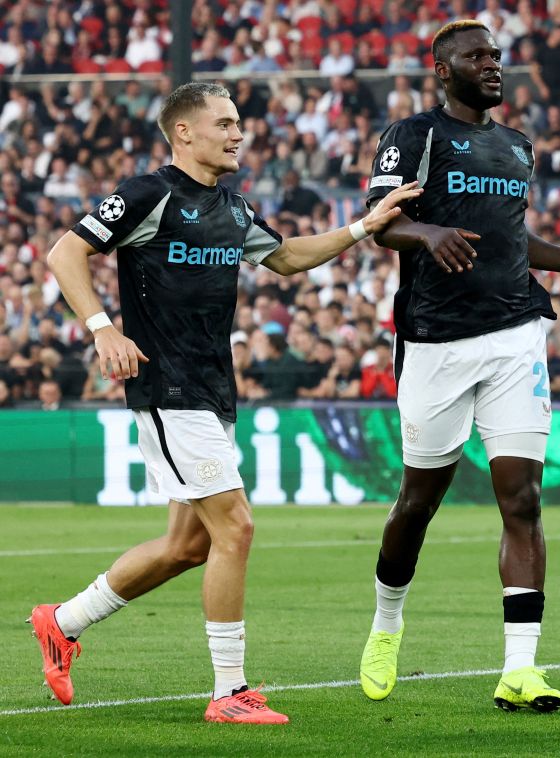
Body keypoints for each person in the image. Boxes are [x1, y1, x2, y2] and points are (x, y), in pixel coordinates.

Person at [29, 82, 420, 724]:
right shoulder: (149, 193)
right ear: (184, 131)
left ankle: (61, 622)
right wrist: (103, 328)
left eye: (239, 123)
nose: (239, 133)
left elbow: (288, 257)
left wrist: (362, 227)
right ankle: (230, 691)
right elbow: (65, 251)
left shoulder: (233, 208)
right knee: (236, 527)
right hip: (167, 384)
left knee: (188, 545)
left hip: (214, 389)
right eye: (225, 122)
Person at [357, 20, 560, 713]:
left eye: (497, 56)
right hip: (435, 341)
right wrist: (426, 231)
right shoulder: (412, 136)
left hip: (515, 335)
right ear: (441, 68)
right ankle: (388, 622)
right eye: (477, 56)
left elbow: (513, 237)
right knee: (419, 501)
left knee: (524, 499)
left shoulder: (515, 145)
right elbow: (377, 221)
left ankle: (521, 668)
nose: (493, 65)